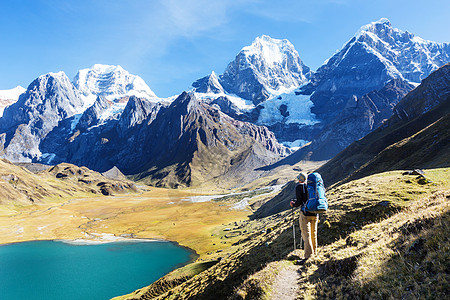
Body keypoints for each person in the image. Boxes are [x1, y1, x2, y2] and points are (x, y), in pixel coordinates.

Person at [290, 172, 319, 260]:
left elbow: (299, 202)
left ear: (300, 179)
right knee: (313, 234)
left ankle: (308, 257)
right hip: (315, 213)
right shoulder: (313, 186)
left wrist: (293, 204)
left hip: (305, 214)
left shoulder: (300, 187)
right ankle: (314, 253)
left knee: (306, 235)